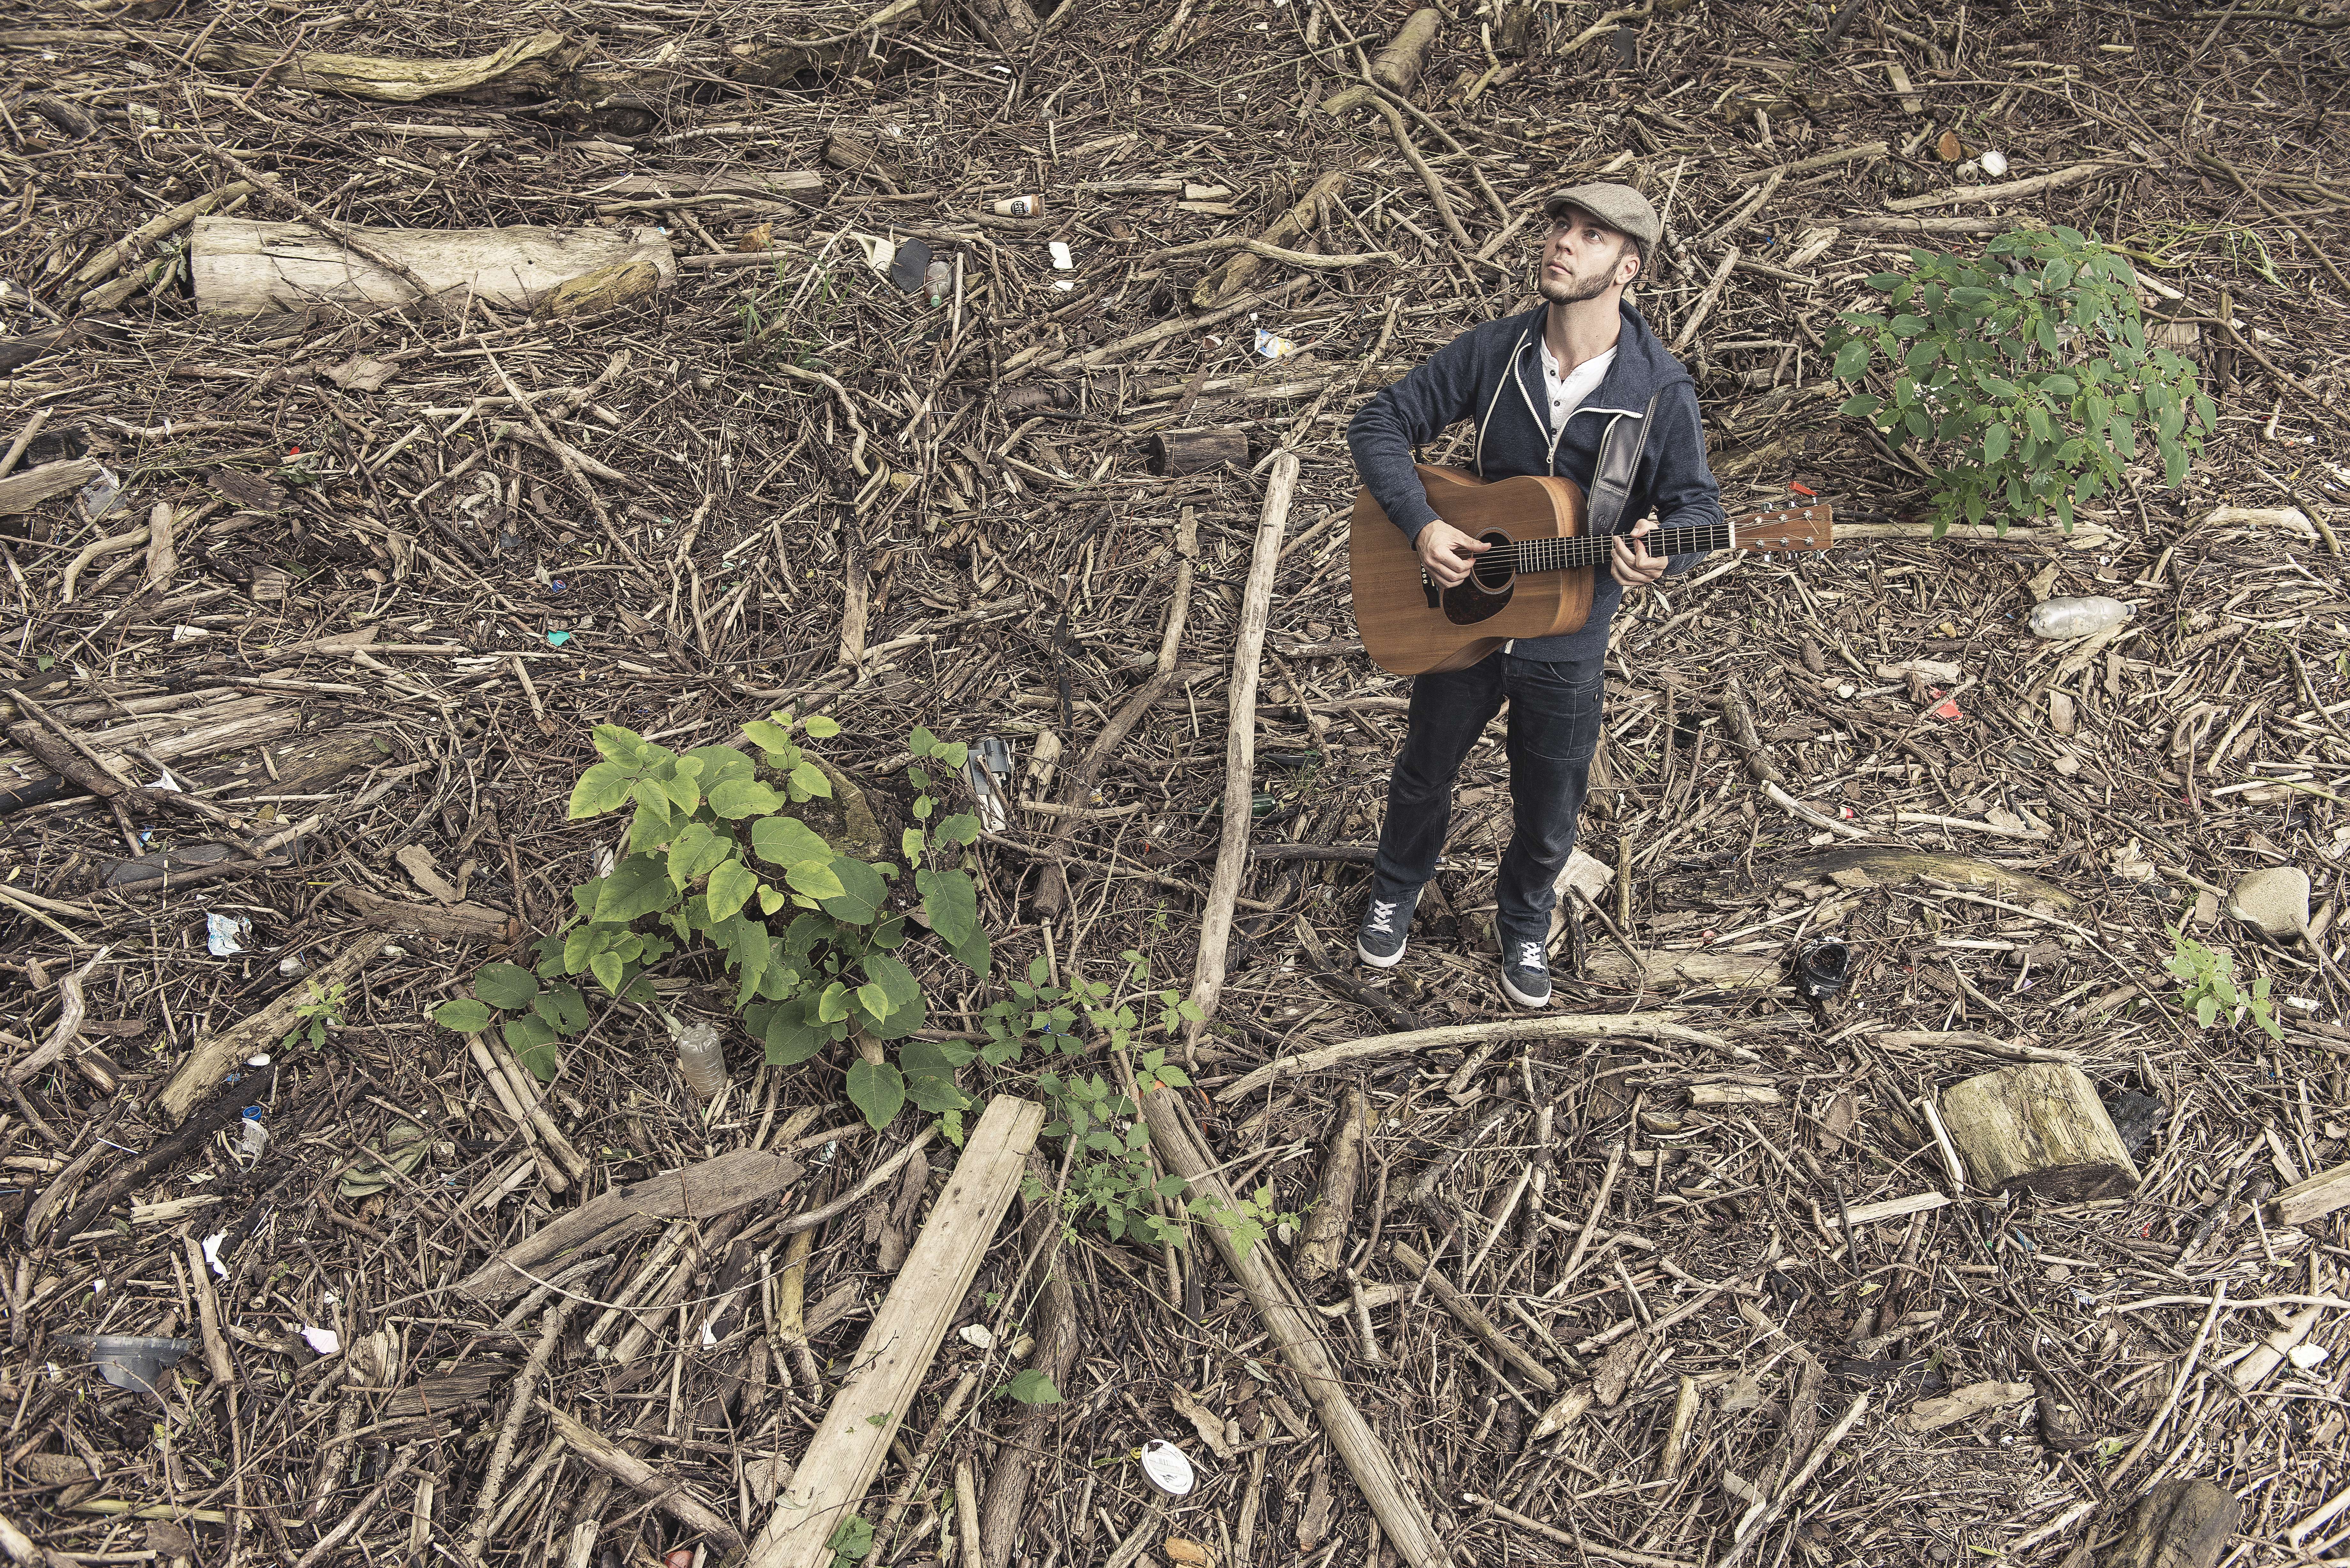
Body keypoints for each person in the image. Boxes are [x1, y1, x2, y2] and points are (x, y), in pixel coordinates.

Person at [1345, 182, 1725, 1008]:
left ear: (1629, 268)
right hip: (1461, 612)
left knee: (1550, 804)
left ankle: (1523, 923)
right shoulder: (1495, 350)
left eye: (1590, 237)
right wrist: (1421, 528)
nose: (1562, 242)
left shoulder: (1661, 392)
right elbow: (1377, 424)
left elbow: (1701, 512)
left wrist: (1665, 558)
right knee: (1423, 770)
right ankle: (1397, 885)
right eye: (1561, 226)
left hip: (1570, 638)